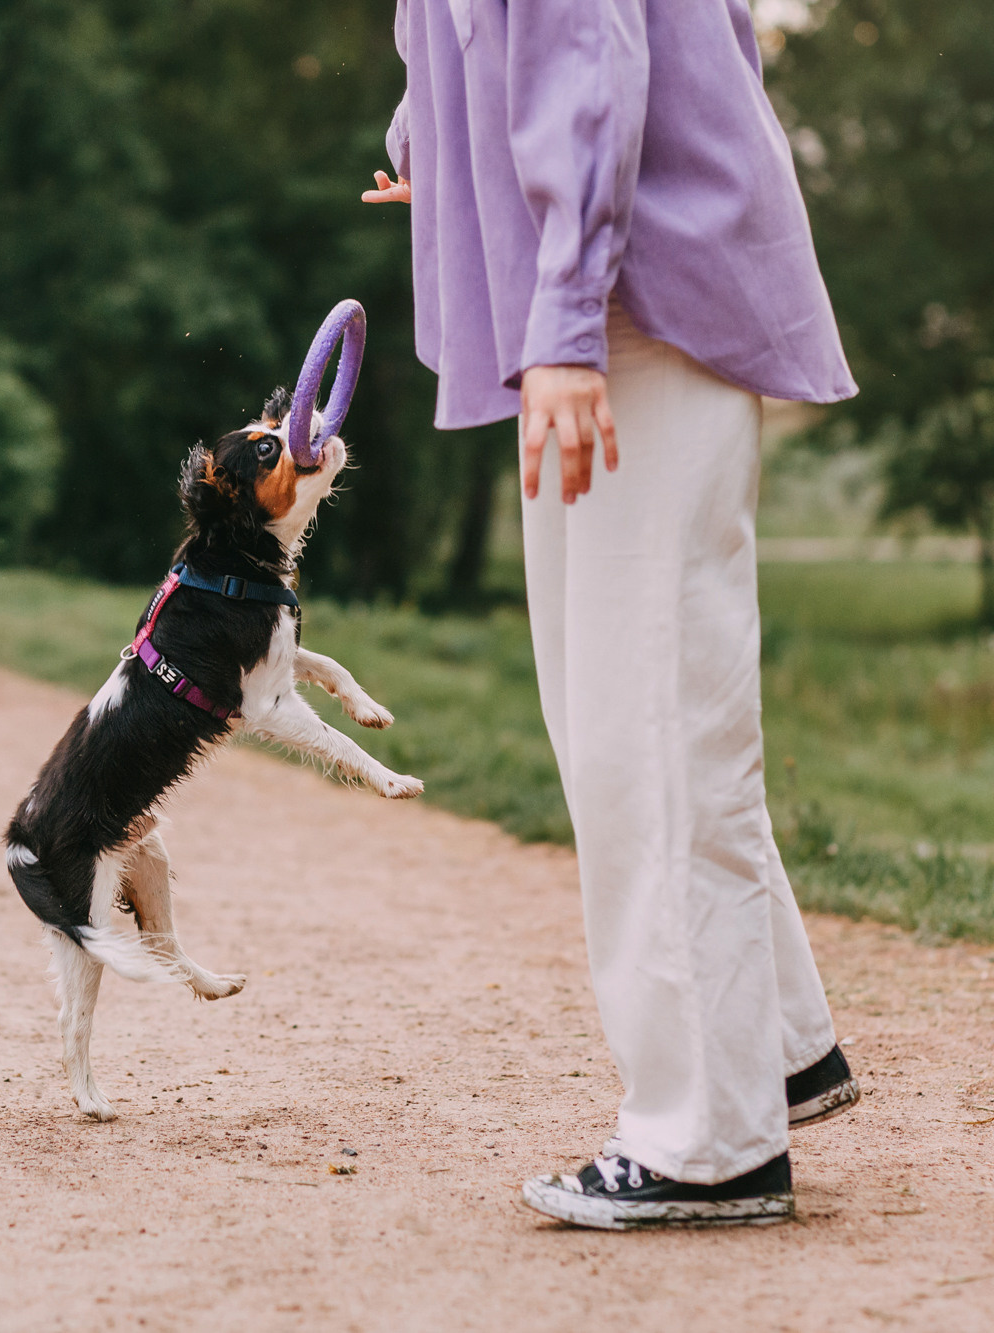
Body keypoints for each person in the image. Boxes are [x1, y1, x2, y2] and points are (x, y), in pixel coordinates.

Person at [364, 0, 862, 1229]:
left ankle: (708, 1139)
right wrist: (438, 140)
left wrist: (569, 316)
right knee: (613, 718)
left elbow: (590, 53)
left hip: (639, 302)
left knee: (651, 727)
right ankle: (777, 1047)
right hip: (607, 298)